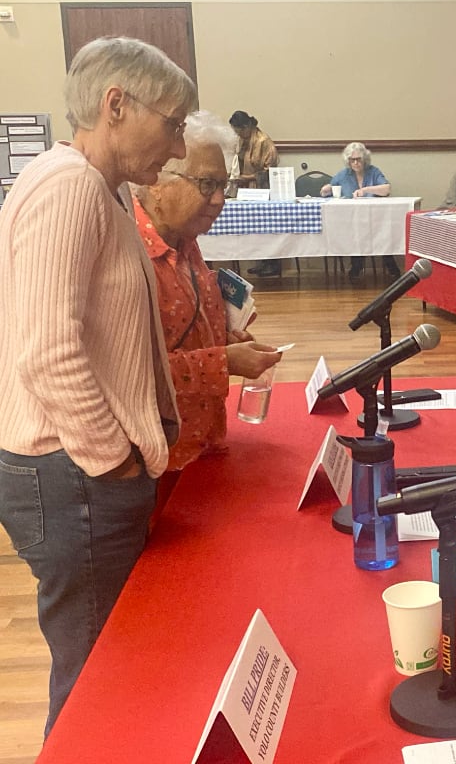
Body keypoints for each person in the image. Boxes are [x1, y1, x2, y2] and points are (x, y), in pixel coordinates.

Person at [0, 36, 195, 736]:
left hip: (75, 472)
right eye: (173, 123)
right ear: (116, 105)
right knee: (92, 680)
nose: (177, 148)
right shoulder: (68, 185)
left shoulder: (95, 187)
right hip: (71, 471)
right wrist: (112, 458)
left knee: (105, 664)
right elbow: (48, 353)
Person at [133, 111, 282, 500]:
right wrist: (226, 361)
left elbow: (182, 326)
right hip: (151, 468)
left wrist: (225, 335)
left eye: (223, 184)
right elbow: (130, 372)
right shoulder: (128, 256)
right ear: (157, 183)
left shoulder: (185, 238)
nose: (219, 199)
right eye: (206, 184)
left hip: (199, 446)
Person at [320, 142, 398, 283]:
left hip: (374, 221)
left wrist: (367, 190)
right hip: (351, 223)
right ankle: (356, 266)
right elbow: (330, 190)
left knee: (382, 233)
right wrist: (326, 190)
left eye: (358, 159)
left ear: (364, 159)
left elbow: (386, 189)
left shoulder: (373, 171)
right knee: (353, 232)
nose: (355, 163)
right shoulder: (343, 174)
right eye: (352, 160)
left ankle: (390, 266)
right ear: (348, 161)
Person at [229, 110, 280, 277]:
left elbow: (269, 170)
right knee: (254, 228)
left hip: (262, 189)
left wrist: (246, 177)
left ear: (248, 126)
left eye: (240, 131)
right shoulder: (242, 141)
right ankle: (260, 260)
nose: (239, 135)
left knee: (267, 226)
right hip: (245, 189)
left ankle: (272, 263)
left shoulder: (264, 141)